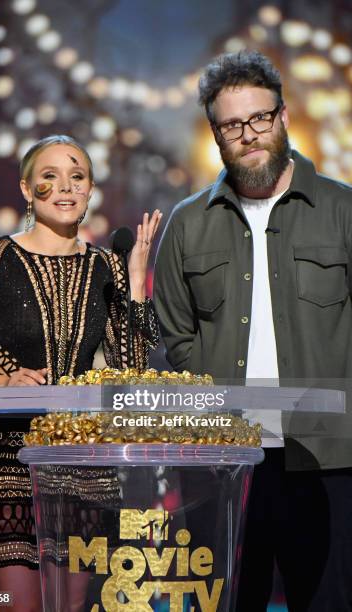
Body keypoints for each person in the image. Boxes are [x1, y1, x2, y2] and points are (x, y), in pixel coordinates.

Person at [154, 50, 352, 611]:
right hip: (225, 465)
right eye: (232, 125)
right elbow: (176, 335)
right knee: (226, 602)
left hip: (330, 458)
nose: (249, 134)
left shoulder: (342, 210)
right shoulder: (189, 222)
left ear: (283, 116)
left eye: (259, 118)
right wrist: (218, 405)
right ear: (217, 134)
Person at [0, 134, 162, 611]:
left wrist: (137, 286)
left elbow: (130, 371)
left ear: (89, 190)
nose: (65, 188)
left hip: (78, 465)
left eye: (77, 177)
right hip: (3, 464)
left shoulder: (107, 266)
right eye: (50, 177)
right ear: (27, 189)